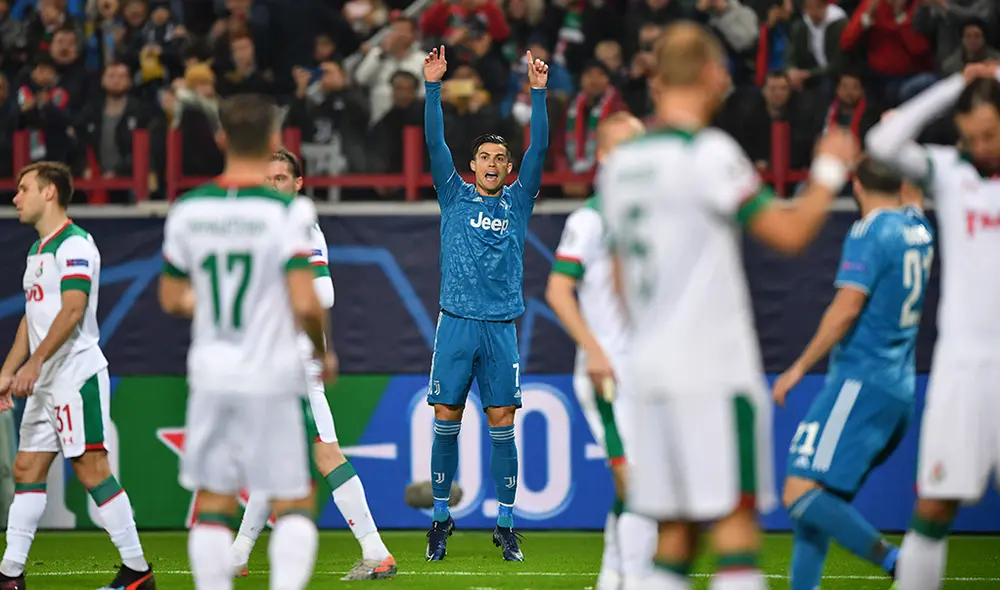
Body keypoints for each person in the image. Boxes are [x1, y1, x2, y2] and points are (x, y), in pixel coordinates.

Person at [597, 22, 858, 590]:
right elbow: (788, 233)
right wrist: (830, 169)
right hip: (711, 370)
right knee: (735, 528)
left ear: (658, 77)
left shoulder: (617, 168)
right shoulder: (708, 153)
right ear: (714, 75)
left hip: (652, 368)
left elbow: (617, 281)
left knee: (675, 537)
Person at [158, 94, 337, 590]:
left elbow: (172, 297)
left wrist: (213, 306)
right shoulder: (289, 212)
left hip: (212, 372)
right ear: (274, 142)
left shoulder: (188, 210)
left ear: (221, 139)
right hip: (272, 374)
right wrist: (325, 355)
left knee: (214, 500)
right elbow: (305, 302)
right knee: (296, 497)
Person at [230, 148, 396, 581]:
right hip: (271, 358)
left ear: (298, 185)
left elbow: (323, 296)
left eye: (281, 178)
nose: (273, 186)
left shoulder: (300, 228)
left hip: (293, 358)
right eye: (267, 179)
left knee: (325, 452)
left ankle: (376, 550)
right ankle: (239, 552)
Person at [865, 63, 1000, 590]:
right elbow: (883, 140)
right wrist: (955, 85)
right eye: (971, 136)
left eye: (991, 133)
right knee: (935, 503)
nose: (982, 145)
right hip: (963, 367)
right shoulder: (948, 171)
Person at [772, 158, 935, 590]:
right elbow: (916, 195)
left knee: (799, 491)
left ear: (856, 184)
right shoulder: (919, 227)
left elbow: (846, 308)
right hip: (898, 388)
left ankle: (899, 564)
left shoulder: (869, 231)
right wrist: (903, 147)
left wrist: (798, 367)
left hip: (860, 380)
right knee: (819, 504)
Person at [0, 162, 155, 590]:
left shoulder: (76, 245)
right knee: (27, 467)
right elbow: (31, 320)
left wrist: (33, 364)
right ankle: (9, 575)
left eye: (23, 188)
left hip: (74, 375)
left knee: (92, 469)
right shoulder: (37, 252)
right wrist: (9, 370)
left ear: (49, 192)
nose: (16, 197)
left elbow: (73, 309)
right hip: (45, 379)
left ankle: (138, 572)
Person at [422, 44, 548, 563]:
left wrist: (538, 94)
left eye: (502, 158)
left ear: (510, 168)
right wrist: (433, 87)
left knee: (502, 422)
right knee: (446, 415)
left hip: (500, 329)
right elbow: (434, 141)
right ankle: (439, 519)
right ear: (471, 166)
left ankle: (506, 524)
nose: (493, 164)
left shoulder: (520, 201)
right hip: (455, 324)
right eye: (485, 158)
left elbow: (539, 149)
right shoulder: (452, 195)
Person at [546, 112, 657, 590]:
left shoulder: (647, 216)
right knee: (638, 485)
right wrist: (593, 350)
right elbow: (557, 290)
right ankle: (634, 579)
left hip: (647, 372)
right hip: (608, 372)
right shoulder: (589, 218)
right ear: (608, 156)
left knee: (642, 485)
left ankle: (612, 576)